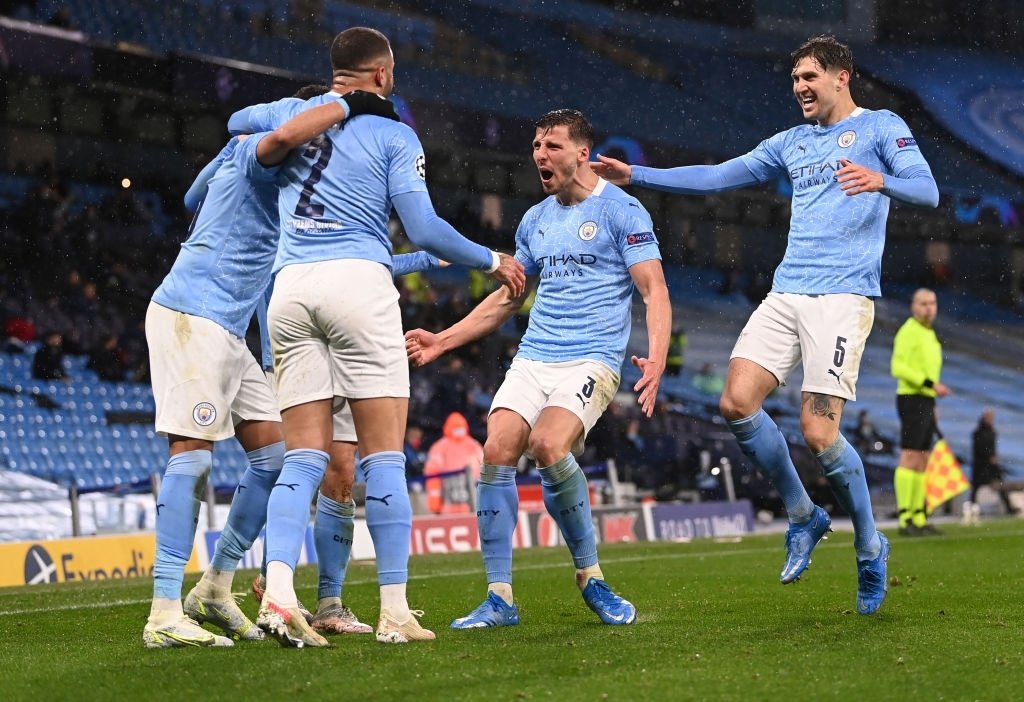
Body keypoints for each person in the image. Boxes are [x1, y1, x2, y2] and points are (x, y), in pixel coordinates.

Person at [592, 35, 940, 614]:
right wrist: (640, 176)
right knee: (735, 402)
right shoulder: (791, 142)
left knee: (819, 434)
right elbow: (719, 176)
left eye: (809, 76)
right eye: (795, 78)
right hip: (787, 291)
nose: (799, 87)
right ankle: (804, 514)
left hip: (842, 297)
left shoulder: (882, 127)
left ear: (841, 77)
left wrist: (882, 181)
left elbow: (927, 191)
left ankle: (869, 546)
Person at [227, 26, 525, 647]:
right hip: (358, 285)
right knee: (383, 457)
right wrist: (492, 259)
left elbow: (235, 121)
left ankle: (278, 593)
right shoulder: (395, 134)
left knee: (303, 458)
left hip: (290, 288)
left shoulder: (289, 114)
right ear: (383, 75)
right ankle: (394, 611)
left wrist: (311, 115)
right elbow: (425, 228)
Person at [141, 88, 391, 648]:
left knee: (276, 458)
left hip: (229, 329)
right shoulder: (269, 153)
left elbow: (192, 196)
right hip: (193, 314)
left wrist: (226, 157)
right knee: (192, 456)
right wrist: (350, 103)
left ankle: (214, 586)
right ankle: (163, 612)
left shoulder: (264, 163)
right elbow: (276, 136)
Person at [406, 108, 670, 628]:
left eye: (552, 146)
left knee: (548, 445)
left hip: (591, 357)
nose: (539, 155)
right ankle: (500, 597)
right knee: (497, 450)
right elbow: (508, 299)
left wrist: (657, 356)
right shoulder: (535, 219)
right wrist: (443, 340)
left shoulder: (623, 211)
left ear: (582, 153)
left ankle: (591, 577)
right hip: (535, 355)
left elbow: (653, 289)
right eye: (536, 146)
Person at [890, 287, 950, 536]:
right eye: (923, 303)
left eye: (932, 303)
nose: (929, 308)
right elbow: (897, 367)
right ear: (913, 307)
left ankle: (919, 516)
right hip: (912, 398)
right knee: (910, 455)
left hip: (925, 400)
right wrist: (929, 385)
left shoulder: (930, 334)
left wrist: (932, 400)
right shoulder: (909, 331)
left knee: (923, 457)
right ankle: (905, 518)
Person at [423, 411, 484, 514]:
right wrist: (434, 502)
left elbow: (485, 471)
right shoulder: (440, 447)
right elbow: (432, 474)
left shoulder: (473, 446)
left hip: (473, 502)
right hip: (448, 502)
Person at [969, 409, 1019, 517]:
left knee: (1001, 485)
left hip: (991, 466)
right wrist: (989, 456)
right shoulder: (978, 433)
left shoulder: (992, 431)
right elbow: (979, 449)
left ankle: (1009, 507)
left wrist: (993, 458)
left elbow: (991, 448)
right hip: (981, 465)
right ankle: (972, 507)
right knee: (976, 488)